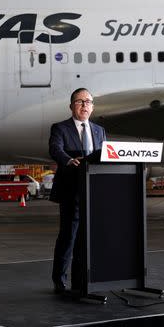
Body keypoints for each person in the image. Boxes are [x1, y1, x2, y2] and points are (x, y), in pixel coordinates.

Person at [49, 88, 106, 294]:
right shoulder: (60, 128)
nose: (84, 105)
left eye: (88, 101)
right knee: (69, 236)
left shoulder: (99, 130)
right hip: (71, 190)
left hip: (93, 192)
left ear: (93, 106)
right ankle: (60, 279)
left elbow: (103, 155)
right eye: (80, 101)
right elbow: (55, 149)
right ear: (71, 105)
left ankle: (83, 279)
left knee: (89, 237)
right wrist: (68, 160)